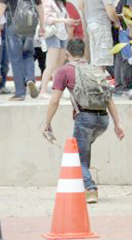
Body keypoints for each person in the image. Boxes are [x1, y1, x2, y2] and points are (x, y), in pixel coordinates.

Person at [43, 39, 125, 204]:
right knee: (83, 151)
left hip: (85, 118)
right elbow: (109, 99)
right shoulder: (95, 70)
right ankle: (82, 185)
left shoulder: (64, 71)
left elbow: (54, 101)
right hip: (102, 119)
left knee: (78, 156)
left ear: (67, 54)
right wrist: (118, 124)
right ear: (84, 53)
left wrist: (47, 123)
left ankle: (90, 189)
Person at [0, 0, 45, 101]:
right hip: (30, 25)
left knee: (16, 58)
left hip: (13, 25)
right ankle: (30, 78)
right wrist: (42, 25)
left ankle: (20, 93)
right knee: (28, 55)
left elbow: (2, 5)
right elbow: (39, 6)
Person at [39, 0, 78, 97]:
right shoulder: (47, 0)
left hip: (62, 35)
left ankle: (57, 90)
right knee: (51, 64)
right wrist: (65, 20)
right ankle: (43, 91)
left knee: (60, 66)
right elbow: (47, 19)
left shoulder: (60, 3)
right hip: (53, 34)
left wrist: (68, 22)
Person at [79, 0, 120, 70]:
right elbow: (110, 12)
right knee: (102, 59)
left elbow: (81, 6)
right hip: (102, 25)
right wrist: (117, 22)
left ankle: (98, 84)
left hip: (90, 25)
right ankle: (100, 84)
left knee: (96, 58)